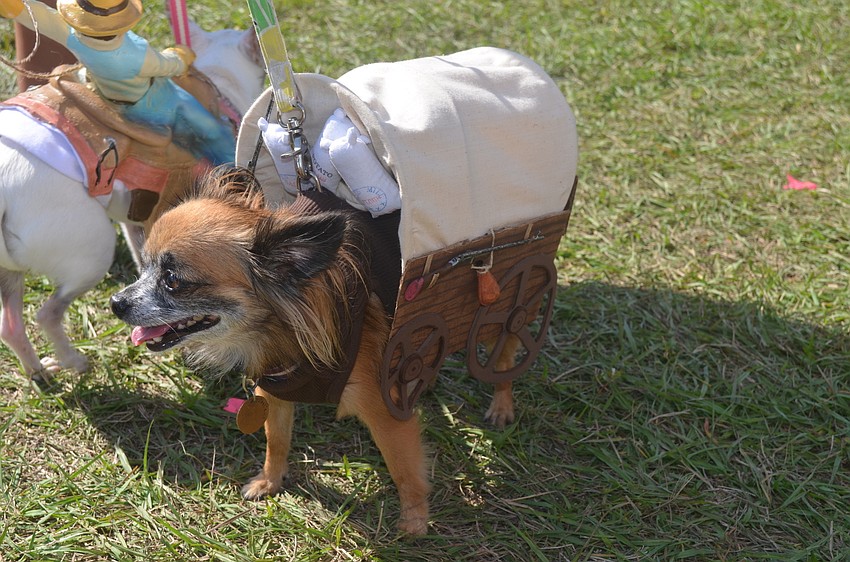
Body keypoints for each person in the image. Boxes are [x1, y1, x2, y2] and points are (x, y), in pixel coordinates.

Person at [0, 0, 236, 164]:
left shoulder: (72, 36)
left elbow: (38, 16)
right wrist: (182, 54)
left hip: (105, 95)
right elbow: (169, 66)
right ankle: (233, 165)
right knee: (210, 129)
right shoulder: (137, 54)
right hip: (154, 106)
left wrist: (12, 6)